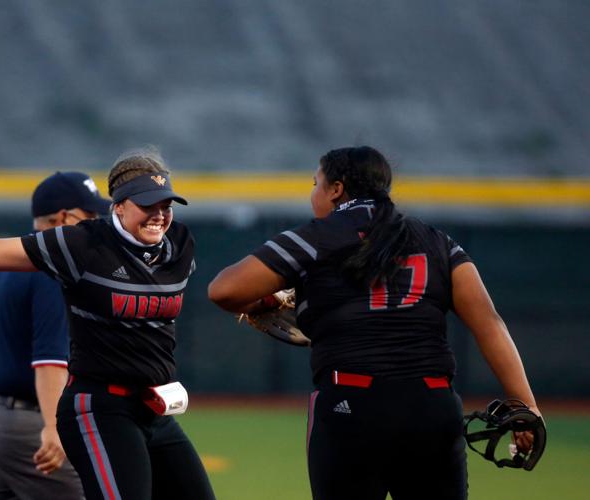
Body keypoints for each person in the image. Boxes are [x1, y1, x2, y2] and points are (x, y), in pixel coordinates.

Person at [0, 147, 215, 500]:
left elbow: (221, 292)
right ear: (118, 206)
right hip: (100, 409)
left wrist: (262, 301)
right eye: (147, 205)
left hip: (154, 410)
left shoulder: (179, 245)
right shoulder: (84, 244)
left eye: (165, 205)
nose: (159, 215)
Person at [207, 146, 540, 500]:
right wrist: (527, 406)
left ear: (336, 189)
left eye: (316, 183)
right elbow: (489, 323)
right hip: (431, 404)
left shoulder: (315, 237)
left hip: (352, 404)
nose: (313, 193)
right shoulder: (438, 241)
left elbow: (223, 290)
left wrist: (269, 300)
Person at [0, 171, 111, 500]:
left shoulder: (10, 259)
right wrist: (55, 428)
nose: (99, 224)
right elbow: (50, 361)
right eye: (92, 215)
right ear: (65, 219)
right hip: (27, 425)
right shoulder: (53, 270)